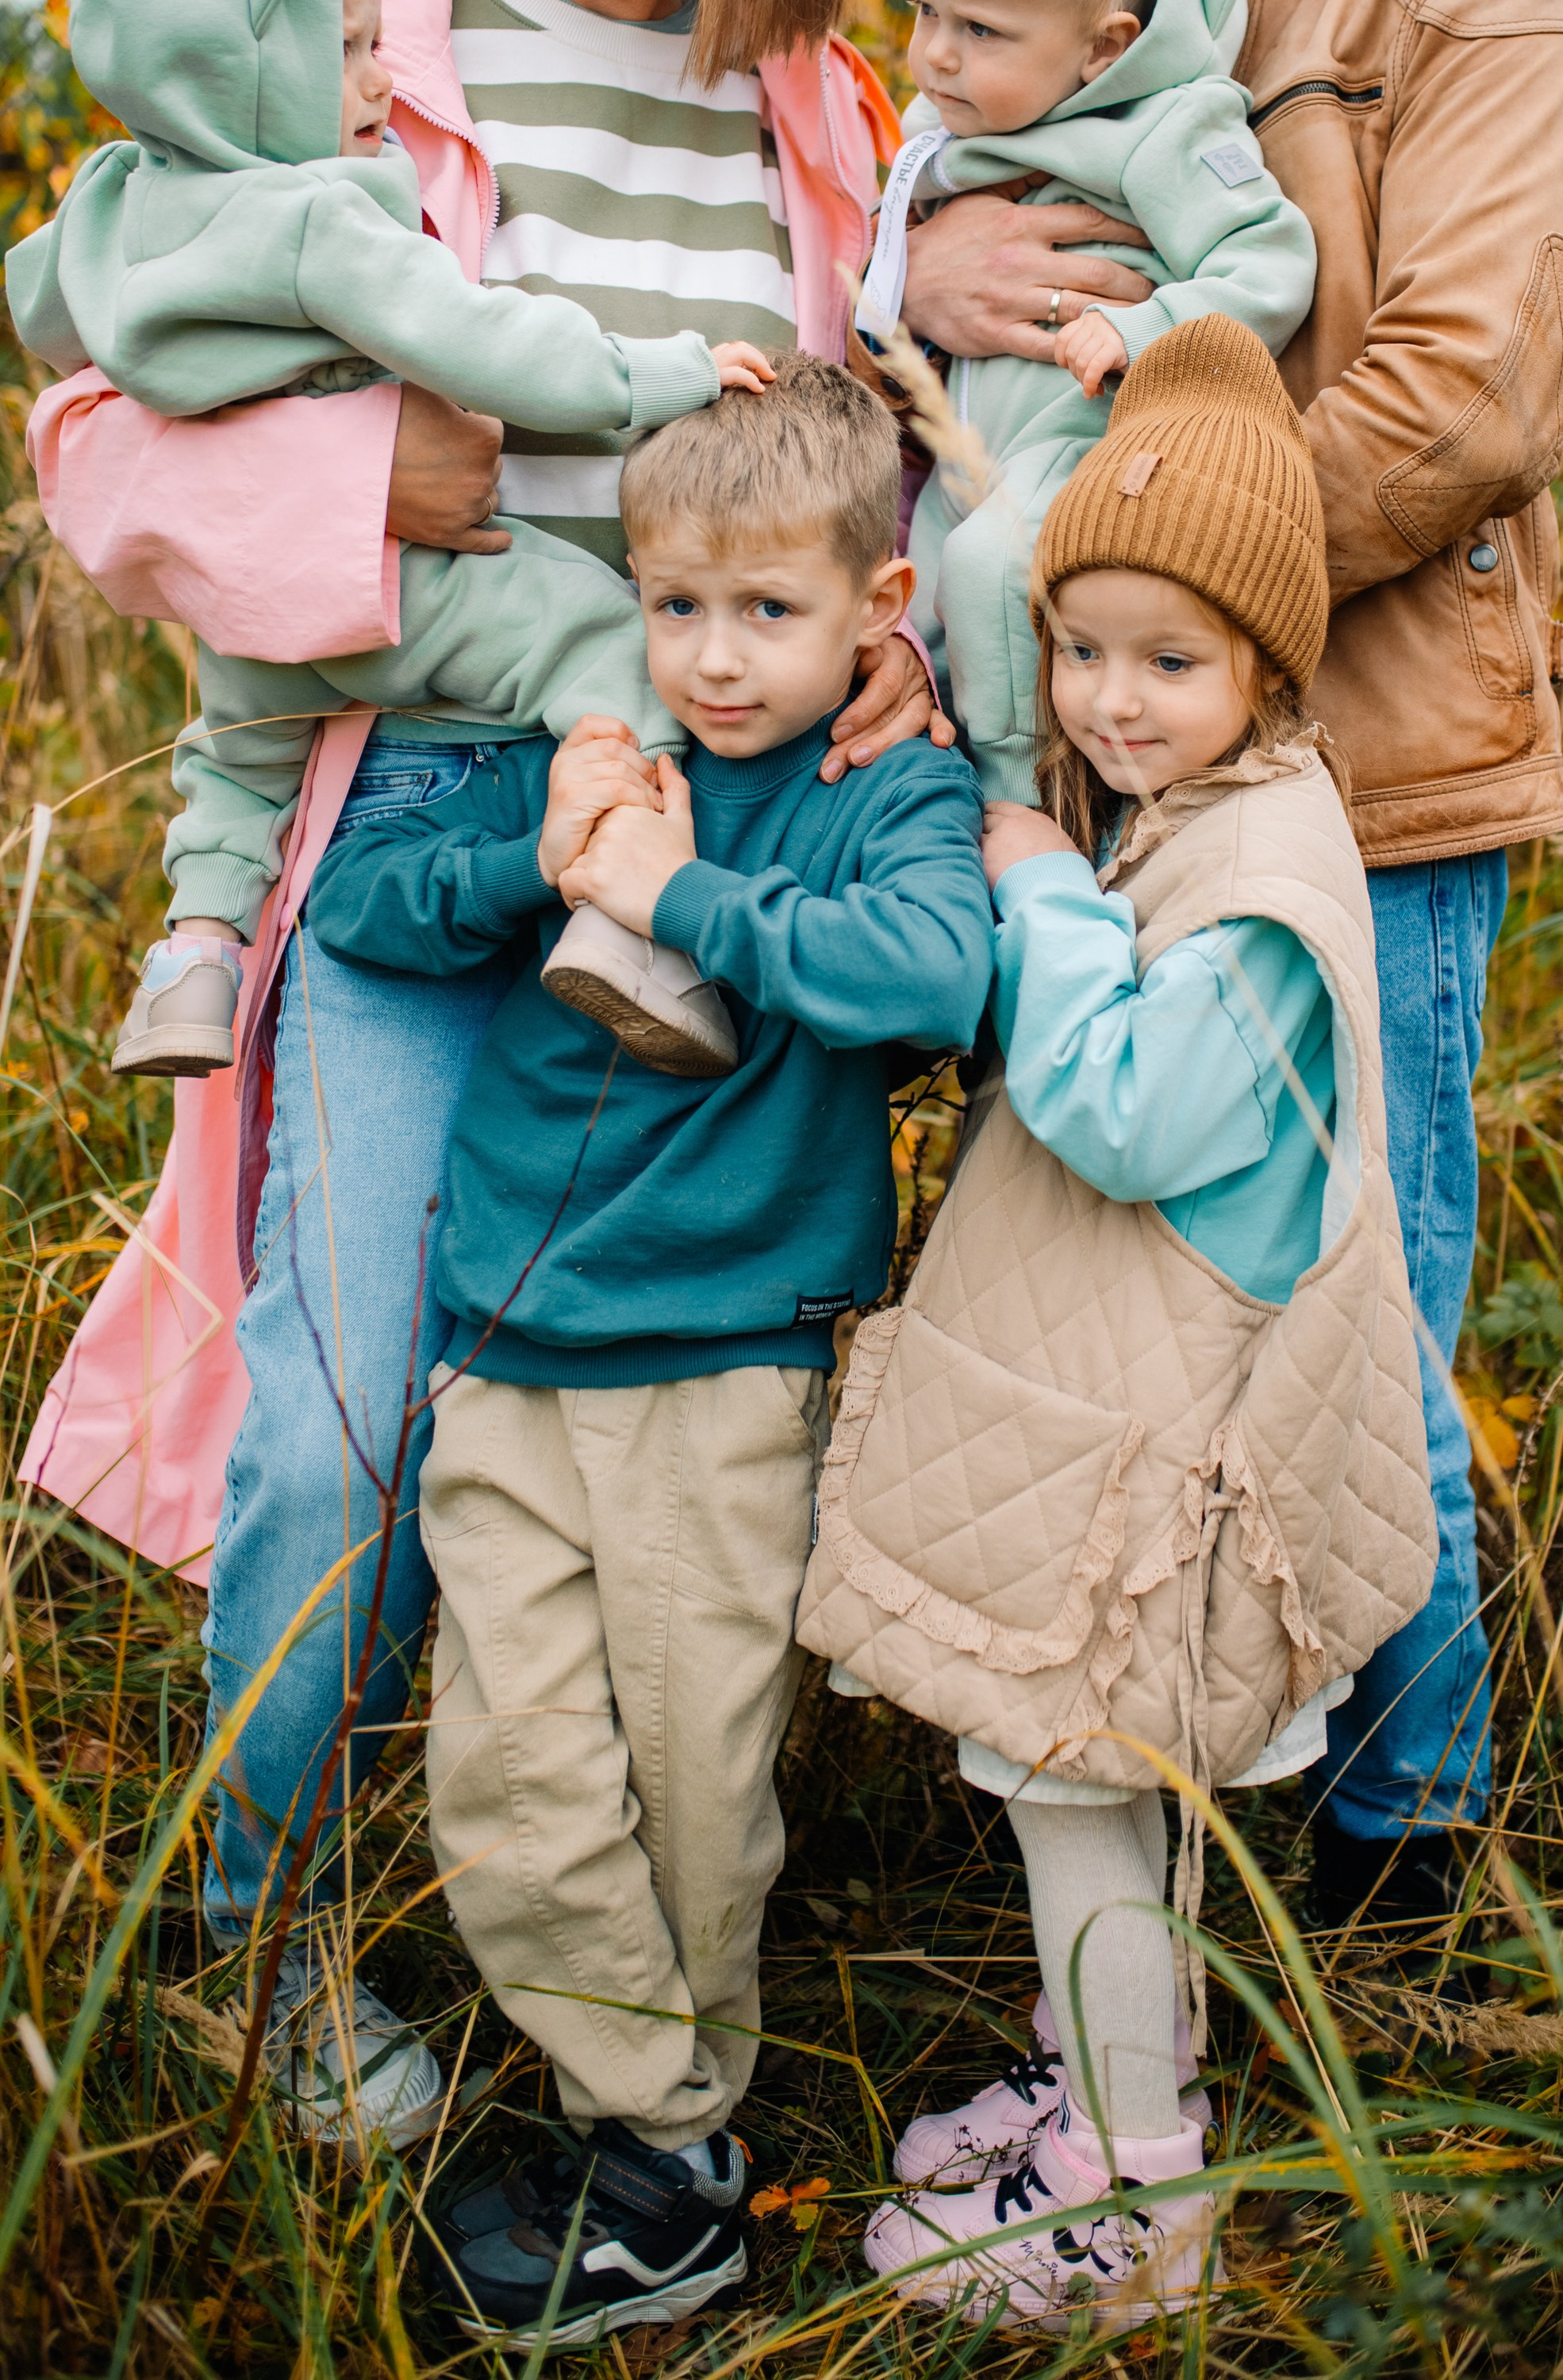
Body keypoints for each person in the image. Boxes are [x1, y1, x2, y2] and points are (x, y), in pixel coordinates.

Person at [22, 0, 1016, 2155]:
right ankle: (267, 1944)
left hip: (713, 818)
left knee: (659, 1405)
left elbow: (871, 461)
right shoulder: (378, 42)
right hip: (429, 807)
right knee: (353, 1423)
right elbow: (91, 434)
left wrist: (901, 643)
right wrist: (354, 476)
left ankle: (629, 1982)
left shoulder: (818, 99)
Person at [307, 353, 994, 2348]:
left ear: (876, 606)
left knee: (694, 1781)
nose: (710, 657)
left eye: (767, 611)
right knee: (511, 1774)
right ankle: (663, 2122)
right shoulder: (588, 746)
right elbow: (362, 899)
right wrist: (544, 854)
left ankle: (660, 2170)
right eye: (672, 602)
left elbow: (935, 970)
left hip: (718, 1368)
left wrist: (680, 891)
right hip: (509, 1348)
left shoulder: (890, 788)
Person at [799, 318, 1438, 2332]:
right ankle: (1098, 2098)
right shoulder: (1204, 816)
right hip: (1123, 1438)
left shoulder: (1249, 880)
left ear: (1263, 664)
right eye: (1081, 649)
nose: (1105, 696)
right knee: (1104, 1821)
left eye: (1164, 661)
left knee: (1081, 1809)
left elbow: (1124, 1108)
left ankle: (1134, 2208)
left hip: (1145, 1485)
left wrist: (1036, 887)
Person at [10, 0, 778, 1083]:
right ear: (242, 84)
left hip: (254, 593)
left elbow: (49, 323)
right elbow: (485, 347)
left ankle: (193, 962)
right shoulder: (322, 218)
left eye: (376, 48)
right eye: (345, 57)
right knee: (606, 646)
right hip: (403, 597)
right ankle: (631, 917)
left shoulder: (112, 209)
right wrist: (665, 374)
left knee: (237, 763)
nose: (379, 84)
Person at [1221, 0, 1563, 1930]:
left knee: (1368, 1312)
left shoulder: (1482, 13)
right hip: (1139, 759)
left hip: (1373, 780)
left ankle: (1405, 1861)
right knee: (1186, 1318)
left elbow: (1463, 396)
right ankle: (1188, 1801)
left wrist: (1156, 574)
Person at [853, 0, 1315, 803]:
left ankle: (1016, 796)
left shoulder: (1169, 126)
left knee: (988, 566)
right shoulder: (955, 122)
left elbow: (1269, 264)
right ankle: (917, 790)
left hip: (1083, 444)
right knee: (903, 612)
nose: (934, 55)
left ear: (1103, 48)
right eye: (928, 12)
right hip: (968, 454)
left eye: (980, 31)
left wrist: (1141, 327)